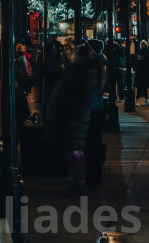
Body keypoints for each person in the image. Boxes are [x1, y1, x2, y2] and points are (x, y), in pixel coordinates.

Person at [45, 44, 104, 195]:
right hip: (82, 113)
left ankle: (78, 180)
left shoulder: (82, 72)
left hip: (77, 115)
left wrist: (74, 116)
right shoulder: (87, 71)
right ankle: (80, 178)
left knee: (73, 150)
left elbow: (79, 95)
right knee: (78, 149)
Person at [84, 40, 108, 186]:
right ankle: (96, 174)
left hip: (90, 107)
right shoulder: (100, 64)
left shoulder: (93, 64)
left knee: (91, 142)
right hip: (97, 106)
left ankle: (92, 175)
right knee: (95, 140)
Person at [134, 40, 149, 105]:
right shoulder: (139, 52)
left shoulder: (147, 53)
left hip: (144, 72)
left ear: (145, 45)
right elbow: (136, 61)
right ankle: (147, 100)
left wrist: (143, 60)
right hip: (140, 71)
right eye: (141, 44)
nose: (141, 45)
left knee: (140, 86)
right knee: (142, 86)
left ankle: (137, 101)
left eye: (143, 44)